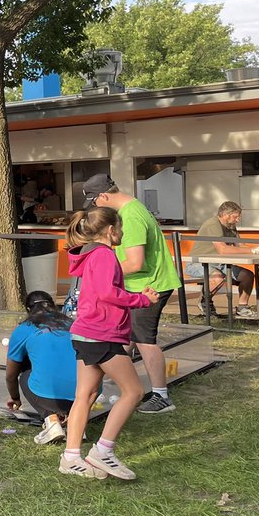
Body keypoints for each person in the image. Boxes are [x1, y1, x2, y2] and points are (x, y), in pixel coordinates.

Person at [59, 207, 159, 481]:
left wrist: (136, 295)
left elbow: (104, 290)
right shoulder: (104, 255)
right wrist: (142, 300)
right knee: (134, 392)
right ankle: (103, 451)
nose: (123, 233)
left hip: (85, 332)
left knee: (86, 395)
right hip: (102, 334)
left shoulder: (91, 254)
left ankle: (70, 457)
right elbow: (107, 293)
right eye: (121, 228)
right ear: (111, 230)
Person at [82, 174, 184, 415]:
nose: (96, 208)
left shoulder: (131, 217)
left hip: (149, 286)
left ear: (104, 196)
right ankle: (117, 377)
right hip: (143, 284)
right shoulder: (132, 208)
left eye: (95, 202)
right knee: (125, 336)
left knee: (145, 341)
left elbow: (135, 263)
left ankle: (161, 395)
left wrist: (100, 273)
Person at [5, 291, 78, 444]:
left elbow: (11, 375)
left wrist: (15, 398)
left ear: (28, 309)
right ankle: (77, 420)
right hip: (84, 394)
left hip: (49, 398)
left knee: (25, 372)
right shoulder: (72, 323)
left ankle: (51, 420)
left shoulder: (24, 329)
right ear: (53, 305)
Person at [186, 200, 256, 320]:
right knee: (217, 277)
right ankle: (205, 302)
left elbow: (239, 245)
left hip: (220, 263)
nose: (238, 220)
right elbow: (223, 249)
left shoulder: (231, 226)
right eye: (236, 217)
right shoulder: (213, 224)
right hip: (199, 263)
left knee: (247, 276)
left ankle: (242, 307)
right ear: (225, 215)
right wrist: (251, 251)